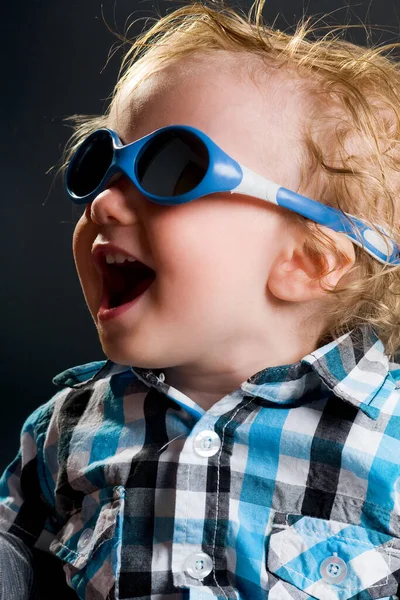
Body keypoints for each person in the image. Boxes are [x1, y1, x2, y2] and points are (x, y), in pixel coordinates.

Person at [2, 0, 400, 598]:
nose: (104, 204)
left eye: (174, 172)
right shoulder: (67, 429)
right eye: (101, 167)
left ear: (308, 261)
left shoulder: (388, 439)